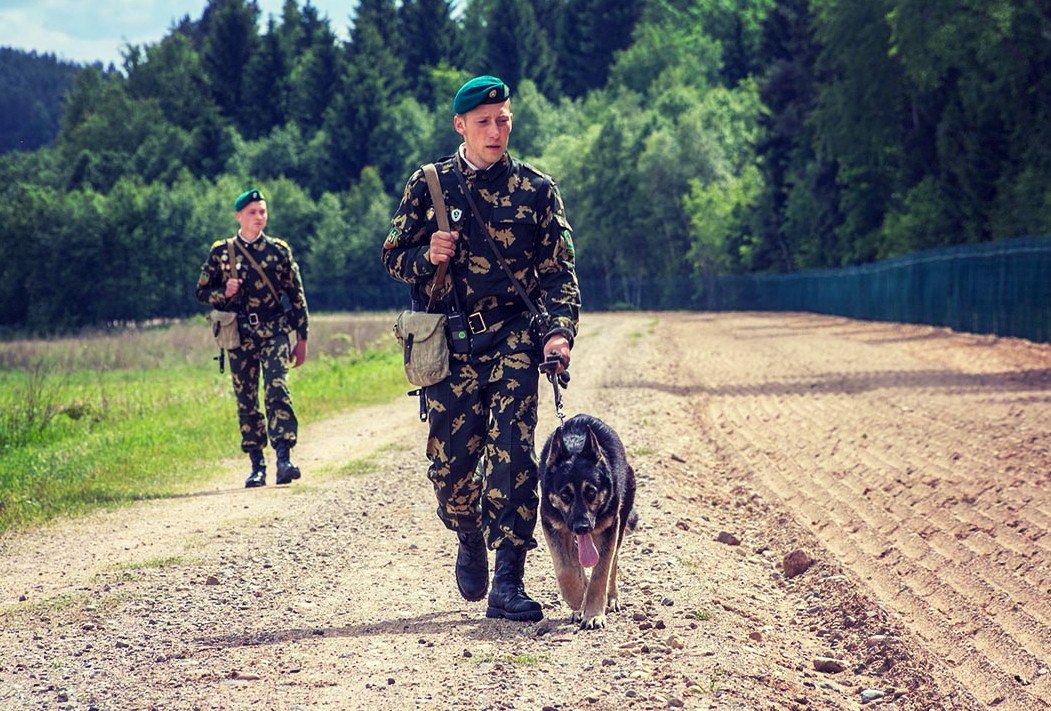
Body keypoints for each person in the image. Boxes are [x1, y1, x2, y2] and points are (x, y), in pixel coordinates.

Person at [382, 75, 580, 622]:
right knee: (451, 468)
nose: (497, 130)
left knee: (513, 457)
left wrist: (559, 331)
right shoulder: (429, 186)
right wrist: (427, 254)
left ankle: (509, 582)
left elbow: (559, 274)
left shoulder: (537, 191)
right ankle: (468, 533)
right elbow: (392, 256)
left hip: (514, 337)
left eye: (505, 119)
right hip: (451, 341)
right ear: (461, 126)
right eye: (486, 122)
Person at [196, 188, 310, 488]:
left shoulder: (278, 251)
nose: (259, 217)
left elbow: (296, 296)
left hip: (274, 331)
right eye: (252, 212)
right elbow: (202, 291)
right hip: (239, 335)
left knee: (277, 390)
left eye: (262, 211)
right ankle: (257, 464)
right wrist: (225, 292)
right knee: (246, 400)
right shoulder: (222, 252)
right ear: (238, 216)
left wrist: (302, 337)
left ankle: (284, 458)